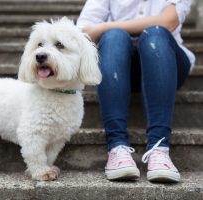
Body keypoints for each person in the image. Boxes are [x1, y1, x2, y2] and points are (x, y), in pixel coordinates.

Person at [77, 0, 195, 182]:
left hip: (166, 64)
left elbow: (168, 21)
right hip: (117, 67)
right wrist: (110, 31)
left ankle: (159, 148)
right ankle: (117, 147)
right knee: (114, 37)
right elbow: (84, 31)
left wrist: (104, 27)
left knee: (155, 33)